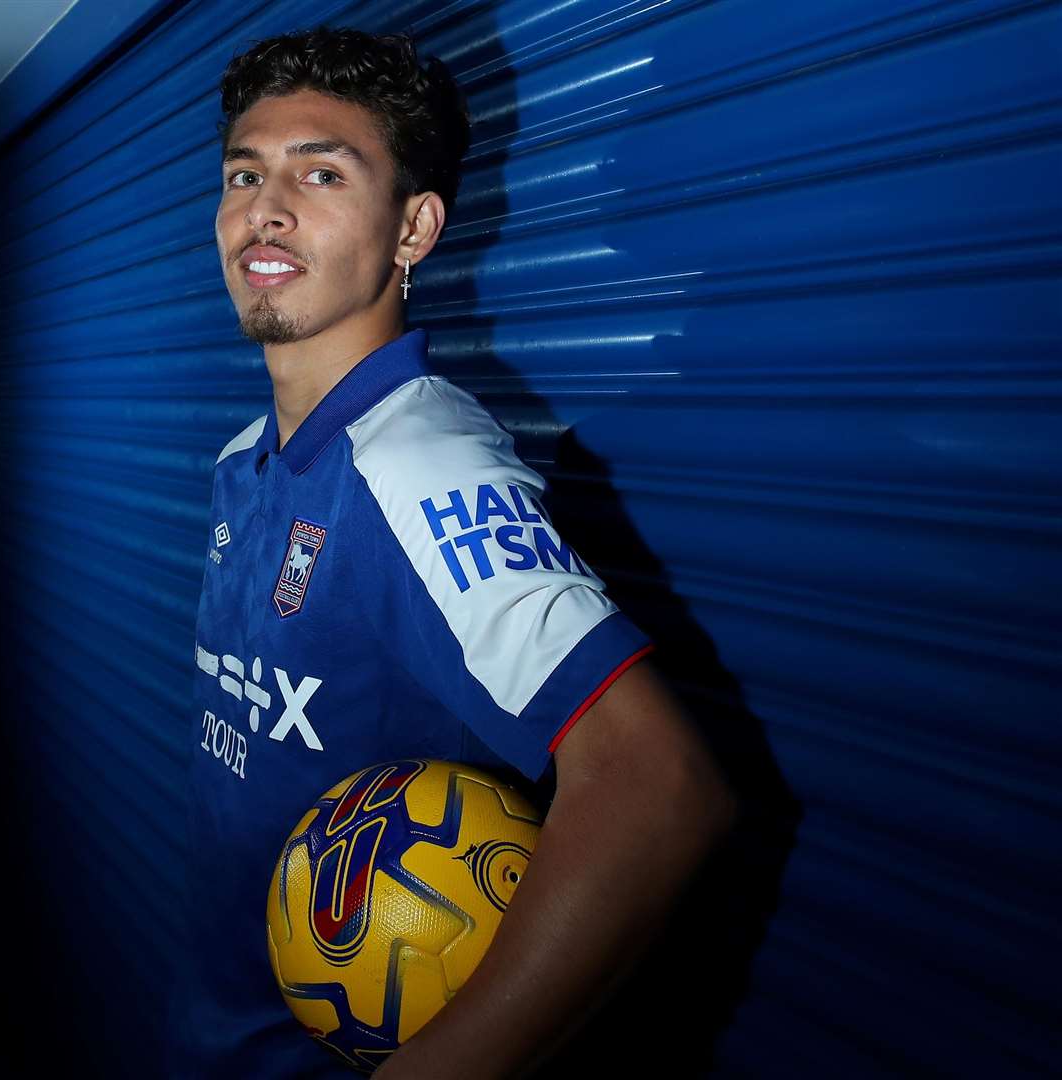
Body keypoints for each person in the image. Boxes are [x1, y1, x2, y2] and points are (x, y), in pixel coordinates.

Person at [179, 27, 736, 1078]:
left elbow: (657, 790)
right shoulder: (244, 458)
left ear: (413, 229)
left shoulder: (420, 462)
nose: (267, 206)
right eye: (244, 173)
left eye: (323, 171)